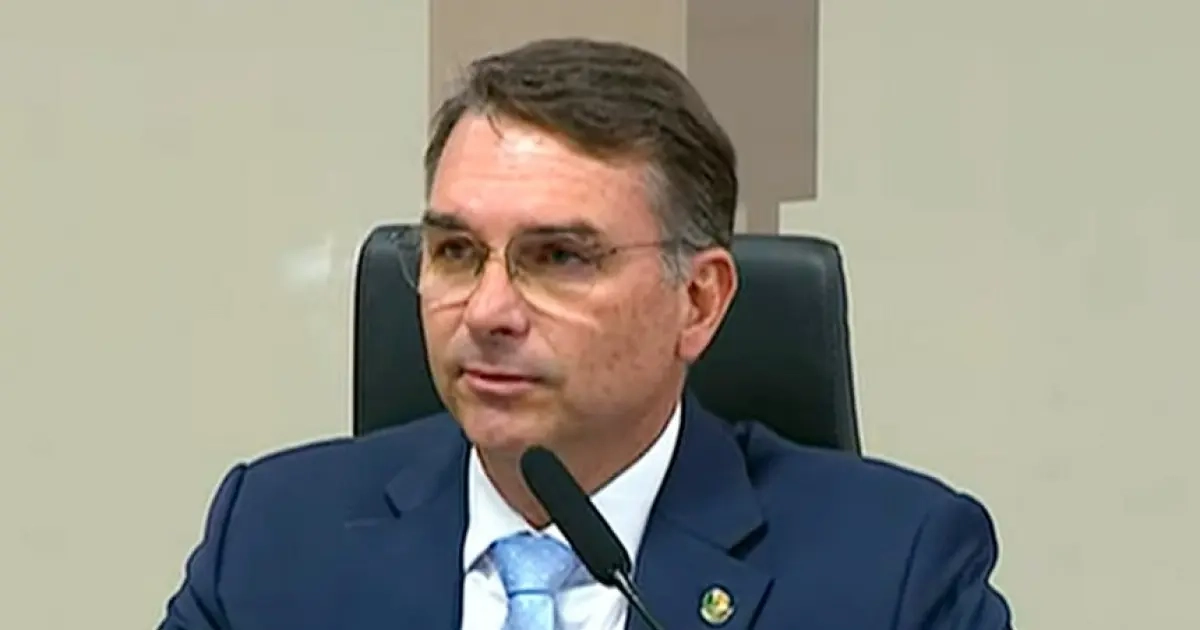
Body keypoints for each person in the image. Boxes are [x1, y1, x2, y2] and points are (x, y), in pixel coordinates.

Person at [158, 37, 1012, 630]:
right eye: (455, 252)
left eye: (559, 257)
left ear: (699, 302)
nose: (487, 311)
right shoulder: (273, 537)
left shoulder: (894, 571)